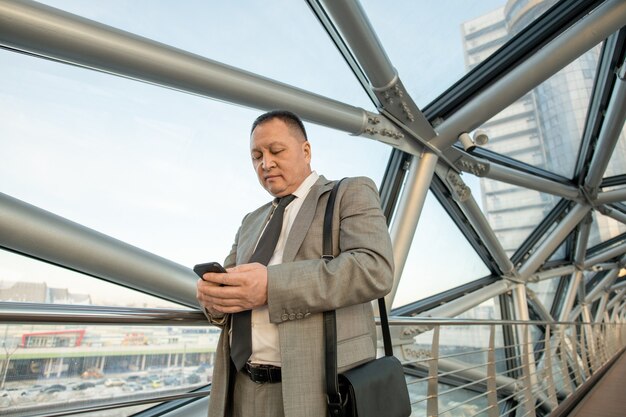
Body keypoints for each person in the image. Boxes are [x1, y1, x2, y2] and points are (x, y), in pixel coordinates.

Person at [196, 110, 394, 417]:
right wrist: (215, 299)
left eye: (276, 151)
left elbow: (374, 269)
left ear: (306, 151)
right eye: (256, 156)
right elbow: (231, 296)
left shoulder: (349, 193)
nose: (266, 163)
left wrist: (271, 286)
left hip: (316, 391)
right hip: (240, 387)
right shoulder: (251, 221)